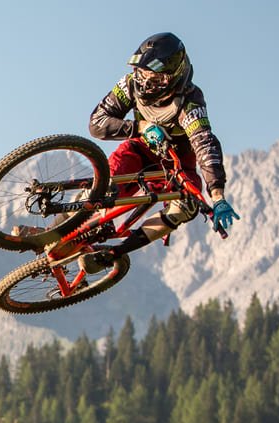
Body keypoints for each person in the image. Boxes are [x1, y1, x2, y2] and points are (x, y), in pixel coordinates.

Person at [81, 32, 239, 272]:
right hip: (139, 150)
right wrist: (140, 127)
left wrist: (217, 195)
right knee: (106, 185)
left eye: (155, 79)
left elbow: (205, 143)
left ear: (173, 78)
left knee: (186, 207)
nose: (146, 84)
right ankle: (61, 228)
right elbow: (97, 123)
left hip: (177, 166)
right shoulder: (129, 84)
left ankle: (112, 254)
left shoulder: (190, 102)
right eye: (143, 75)